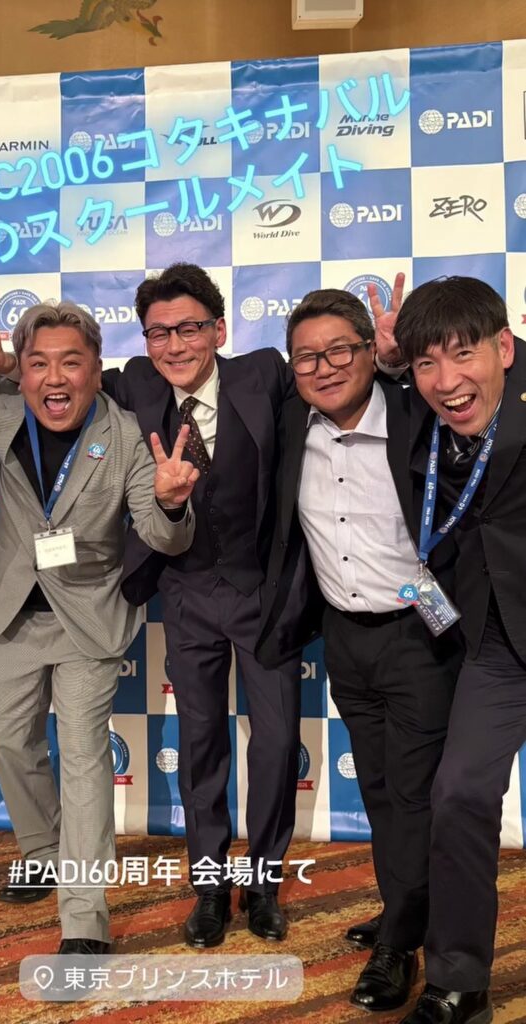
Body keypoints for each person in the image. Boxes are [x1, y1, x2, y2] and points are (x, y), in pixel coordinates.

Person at [0, 299, 195, 954]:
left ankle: (84, 917)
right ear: (21, 369)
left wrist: (173, 504)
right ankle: (42, 851)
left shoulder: (126, 436)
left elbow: (161, 535)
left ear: (96, 367)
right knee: (8, 741)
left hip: (88, 616)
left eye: (71, 362)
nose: (54, 379)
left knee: (84, 757)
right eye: (38, 364)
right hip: (12, 609)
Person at [257, 286, 463, 1012]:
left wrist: (411, 360)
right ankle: (405, 907)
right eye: (306, 357)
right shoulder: (290, 421)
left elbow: (502, 383)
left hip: (421, 633)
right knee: (378, 789)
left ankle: (398, 945)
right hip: (345, 636)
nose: (323, 367)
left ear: (371, 353)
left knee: (410, 792)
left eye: (340, 350)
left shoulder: (416, 410)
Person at [101, 263, 307, 948]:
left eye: (188, 328)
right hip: (186, 594)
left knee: (275, 741)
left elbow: (337, 389)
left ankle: (265, 882)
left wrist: (390, 359)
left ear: (218, 330)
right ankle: (210, 885)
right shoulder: (136, 382)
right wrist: (7, 365)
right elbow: (62, 383)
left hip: (263, 594)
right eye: (158, 332)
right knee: (200, 742)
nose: (173, 345)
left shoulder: (263, 373)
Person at [376, 276, 526, 1024]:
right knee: (460, 793)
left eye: (463, 355)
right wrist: (388, 361)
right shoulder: (423, 411)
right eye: (426, 363)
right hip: (497, 641)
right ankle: (459, 982)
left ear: (505, 347)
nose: (445, 381)